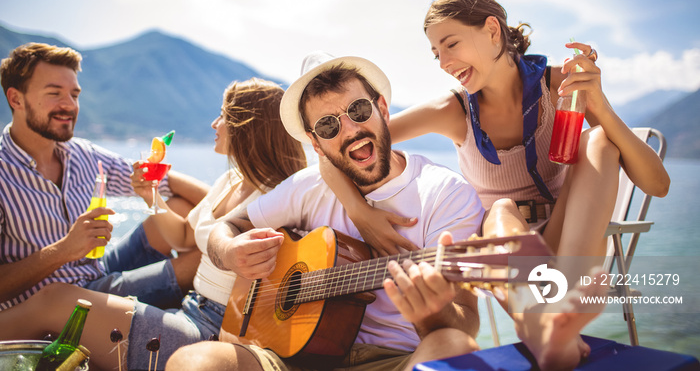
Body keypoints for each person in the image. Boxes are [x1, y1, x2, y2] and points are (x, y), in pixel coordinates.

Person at [320, 0, 670, 369]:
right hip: (505, 259)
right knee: (501, 210)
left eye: (451, 44)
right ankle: (549, 324)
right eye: (436, 53)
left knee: (600, 140)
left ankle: (560, 315)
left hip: (569, 244)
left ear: (492, 30)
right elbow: (335, 148)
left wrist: (598, 105)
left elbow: (658, 185)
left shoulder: (561, 87)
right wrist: (359, 212)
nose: (443, 62)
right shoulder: (451, 110)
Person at [166, 52, 488, 371]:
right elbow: (230, 226)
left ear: (383, 109)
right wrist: (230, 250)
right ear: (315, 144)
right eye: (328, 126)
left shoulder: (446, 194)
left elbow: (465, 321)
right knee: (190, 361)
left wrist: (433, 315)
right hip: (288, 356)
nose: (350, 130)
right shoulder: (306, 187)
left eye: (358, 110)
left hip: (395, 360)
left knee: (454, 346)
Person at [0, 78, 308, 370]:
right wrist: (151, 197)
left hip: (212, 330)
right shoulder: (230, 180)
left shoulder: (277, 198)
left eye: (223, 116)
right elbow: (184, 236)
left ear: (247, 128)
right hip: (188, 309)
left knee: (55, 300)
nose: (215, 124)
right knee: (58, 301)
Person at [0, 42, 210, 311]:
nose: (69, 105)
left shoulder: (82, 154)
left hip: (96, 271)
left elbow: (160, 181)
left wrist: (236, 210)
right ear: (16, 99)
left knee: (183, 207)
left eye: (74, 95)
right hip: (55, 305)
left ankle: (175, 302)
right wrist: (64, 250)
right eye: (54, 93)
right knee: (204, 258)